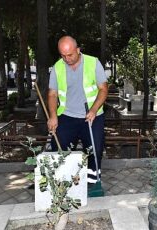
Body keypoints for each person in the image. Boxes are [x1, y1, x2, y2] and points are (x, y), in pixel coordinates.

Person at [47, 36, 108, 193]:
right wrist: (53, 115)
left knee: (94, 151)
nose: (66, 59)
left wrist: (94, 109)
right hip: (67, 116)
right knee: (59, 149)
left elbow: (103, 89)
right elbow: (52, 94)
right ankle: (64, 184)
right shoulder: (57, 67)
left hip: (92, 115)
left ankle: (93, 185)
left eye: (70, 55)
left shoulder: (93, 63)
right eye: (63, 55)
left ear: (78, 50)